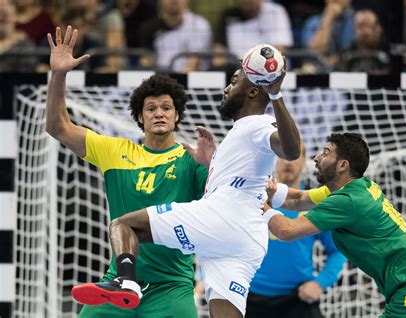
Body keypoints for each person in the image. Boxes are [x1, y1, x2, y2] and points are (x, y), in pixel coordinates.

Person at [72, 44, 302, 317]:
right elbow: (242, 182)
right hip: (246, 240)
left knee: (124, 224)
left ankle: (127, 281)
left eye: (234, 81)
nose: (227, 88)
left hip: (222, 220)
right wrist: (210, 163)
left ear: (253, 90)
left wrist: (275, 93)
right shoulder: (240, 133)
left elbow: (290, 150)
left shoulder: (257, 125)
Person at [45, 26, 208, 317]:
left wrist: (211, 164)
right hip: (118, 283)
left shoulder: (191, 159)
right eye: (151, 108)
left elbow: (223, 199)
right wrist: (58, 74)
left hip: (171, 286)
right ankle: (125, 279)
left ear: (177, 115)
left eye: (167, 108)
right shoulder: (115, 151)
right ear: (139, 118)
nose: (159, 113)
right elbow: (58, 127)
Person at [264, 133, 406, 317]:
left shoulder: (347, 201)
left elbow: (286, 231)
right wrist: (265, 190)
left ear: (342, 165)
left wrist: (260, 205)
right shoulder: (359, 187)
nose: (316, 158)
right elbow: (299, 199)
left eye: (325, 153)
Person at [246, 143, 346, 318]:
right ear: (273, 160)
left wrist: (320, 283)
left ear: (304, 161)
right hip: (250, 298)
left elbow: (337, 251)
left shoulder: (317, 205)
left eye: (294, 156)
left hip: (297, 300)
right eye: (282, 155)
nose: (287, 162)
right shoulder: (252, 200)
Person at [213, 0, 293, 71]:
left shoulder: (275, 11)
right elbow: (218, 55)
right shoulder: (228, 15)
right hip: (236, 71)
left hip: (267, 70)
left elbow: (278, 51)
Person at [138, 0, 212, 73]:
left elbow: (194, 62)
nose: (173, 1)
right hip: (159, 78)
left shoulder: (199, 25)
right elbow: (146, 60)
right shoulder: (150, 27)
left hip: (190, 79)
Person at [336, 9, 391, 74]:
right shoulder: (346, 54)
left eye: (371, 26)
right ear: (354, 29)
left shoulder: (389, 52)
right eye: (361, 26)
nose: (366, 32)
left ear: (379, 28)